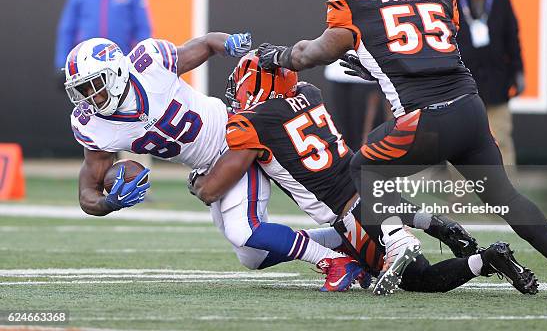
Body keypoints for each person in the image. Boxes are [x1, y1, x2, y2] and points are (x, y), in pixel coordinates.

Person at [255, 0, 547, 299]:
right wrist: (378, 69)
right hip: (470, 111)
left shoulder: (356, 7)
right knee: (505, 195)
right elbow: (428, 55)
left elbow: (312, 54)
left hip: (426, 122)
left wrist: (277, 56)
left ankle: (397, 239)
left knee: (364, 166)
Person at [188, 53, 538, 296]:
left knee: (420, 280)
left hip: (349, 211)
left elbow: (212, 189)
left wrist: (198, 179)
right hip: (366, 186)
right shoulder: (310, 93)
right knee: (358, 231)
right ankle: (434, 223)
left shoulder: (253, 123)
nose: (238, 94)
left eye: (243, 85)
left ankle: (485, 259)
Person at [63, 32, 367, 292]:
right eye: (82, 89)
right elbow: (88, 194)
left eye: (95, 84)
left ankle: (334, 262)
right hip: (204, 164)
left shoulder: (149, 62)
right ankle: (341, 241)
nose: (90, 95)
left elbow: (206, 44)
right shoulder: (92, 124)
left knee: (244, 230)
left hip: (235, 141)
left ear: (116, 72)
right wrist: (111, 203)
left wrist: (229, 43)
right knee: (253, 256)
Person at [447, 0, 524, 165]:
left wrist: (518, 71)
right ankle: (459, 201)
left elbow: (512, 37)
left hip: (496, 85)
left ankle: (507, 200)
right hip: (461, 88)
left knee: (501, 143)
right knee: (459, 146)